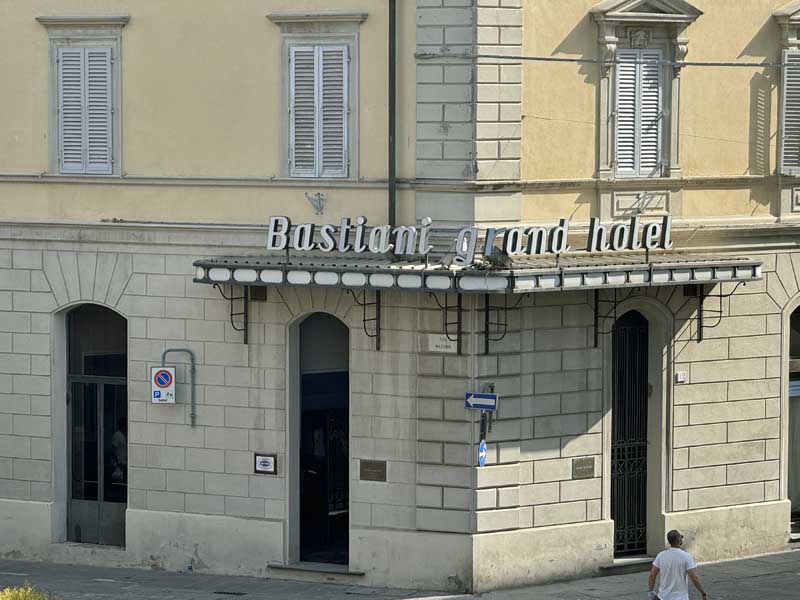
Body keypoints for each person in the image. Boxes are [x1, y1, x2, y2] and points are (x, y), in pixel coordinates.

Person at [648, 530, 708, 600]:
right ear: (679, 540)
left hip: (663, 597)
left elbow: (652, 575)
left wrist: (651, 592)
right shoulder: (686, 556)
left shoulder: (661, 555)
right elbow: (694, 577)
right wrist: (703, 593)